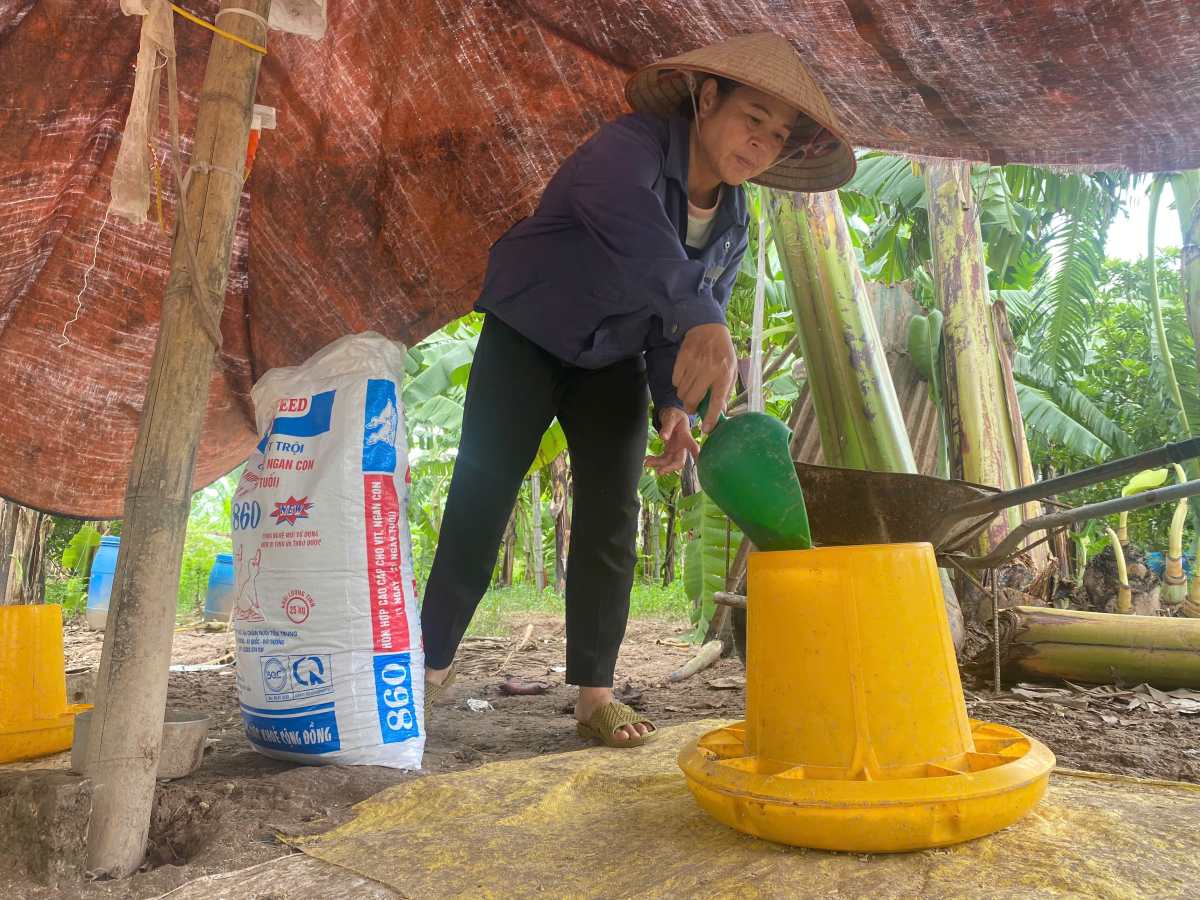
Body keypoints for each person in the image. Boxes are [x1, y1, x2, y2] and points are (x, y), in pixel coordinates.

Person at [419, 32, 854, 747]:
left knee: (613, 514)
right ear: (707, 100)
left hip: (613, 359)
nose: (761, 143)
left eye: (778, 136)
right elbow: (632, 228)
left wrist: (673, 403)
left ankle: (595, 693)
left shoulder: (734, 222)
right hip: (529, 332)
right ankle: (429, 669)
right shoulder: (627, 150)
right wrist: (703, 314)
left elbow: (674, 333)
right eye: (753, 118)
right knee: (482, 493)